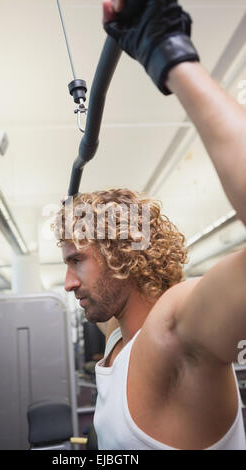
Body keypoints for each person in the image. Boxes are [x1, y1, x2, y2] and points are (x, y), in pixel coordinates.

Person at [54, 0, 246, 449]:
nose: (66, 282)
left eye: (77, 261)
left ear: (125, 258)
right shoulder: (118, 333)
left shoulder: (174, 334)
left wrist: (169, 53)